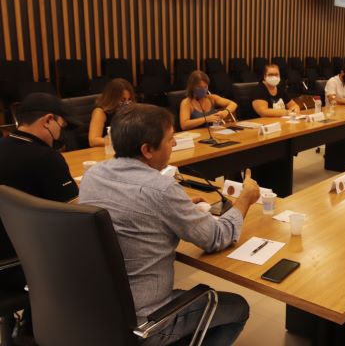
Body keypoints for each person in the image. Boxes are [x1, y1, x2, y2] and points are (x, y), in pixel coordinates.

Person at [79, 103, 259, 345]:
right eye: (170, 140)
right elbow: (217, 237)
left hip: (96, 311)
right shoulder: (162, 189)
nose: (174, 145)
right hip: (145, 322)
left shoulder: (93, 175)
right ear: (147, 150)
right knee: (237, 307)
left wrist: (180, 208)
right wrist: (245, 199)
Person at [0, 92, 80, 338]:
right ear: (48, 120)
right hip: (15, 267)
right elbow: (75, 215)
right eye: (61, 126)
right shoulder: (46, 158)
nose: (60, 134)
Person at [89, 78, 135, 147]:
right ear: (112, 98)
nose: (126, 103)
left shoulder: (128, 109)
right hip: (103, 152)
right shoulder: (100, 112)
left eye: (129, 100)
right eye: (123, 100)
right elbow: (93, 141)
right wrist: (121, 141)